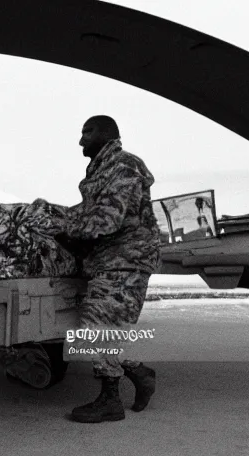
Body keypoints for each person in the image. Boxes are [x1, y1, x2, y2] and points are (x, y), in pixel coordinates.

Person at [57, 115, 161, 423]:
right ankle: (139, 374)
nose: (81, 140)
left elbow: (106, 219)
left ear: (106, 134)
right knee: (103, 328)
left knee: (98, 328)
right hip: (111, 259)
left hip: (125, 259)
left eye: (87, 133)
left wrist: (65, 230)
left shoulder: (122, 166)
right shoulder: (102, 167)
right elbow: (92, 211)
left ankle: (110, 401)